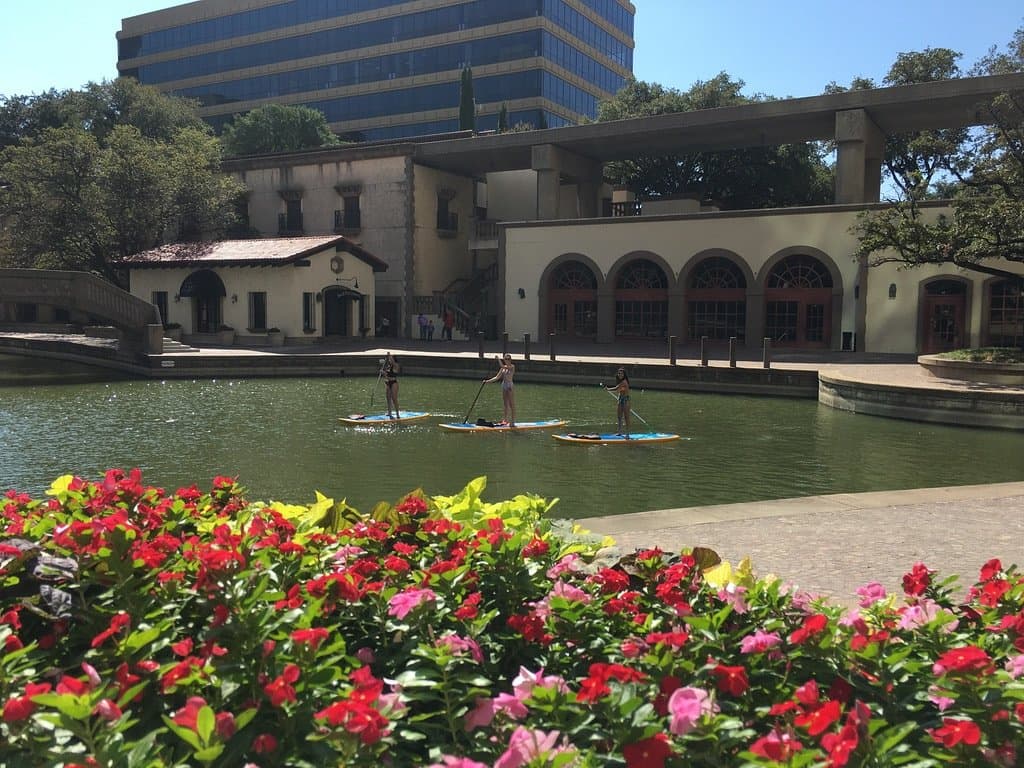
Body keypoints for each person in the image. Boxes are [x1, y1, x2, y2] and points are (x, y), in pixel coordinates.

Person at [483, 353, 516, 427]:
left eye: (508, 359)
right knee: (505, 404)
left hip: (509, 386)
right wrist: (487, 381)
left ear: (510, 360)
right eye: (506, 359)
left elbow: (501, 365)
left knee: (511, 404)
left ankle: (512, 421)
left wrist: (498, 358)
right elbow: (497, 377)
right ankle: (505, 420)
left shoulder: (512, 366)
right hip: (504, 385)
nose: (507, 360)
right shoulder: (503, 368)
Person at [605, 367, 631, 438]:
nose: (620, 374)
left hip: (626, 400)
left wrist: (608, 389)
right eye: (619, 373)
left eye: (621, 373)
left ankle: (627, 434)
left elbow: (616, 388)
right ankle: (619, 432)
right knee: (619, 417)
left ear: (624, 375)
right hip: (620, 399)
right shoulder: (620, 382)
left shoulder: (624, 381)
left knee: (626, 417)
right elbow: (619, 390)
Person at [382, 352, 400, 418]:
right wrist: (383, 373)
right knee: (388, 398)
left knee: (394, 398)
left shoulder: (396, 366)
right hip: (388, 383)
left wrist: (389, 356)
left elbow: (393, 363)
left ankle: (397, 413)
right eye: (389, 359)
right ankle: (390, 412)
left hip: (394, 383)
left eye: (391, 359)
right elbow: (386, 376)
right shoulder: (388, 366)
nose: (389, 360)